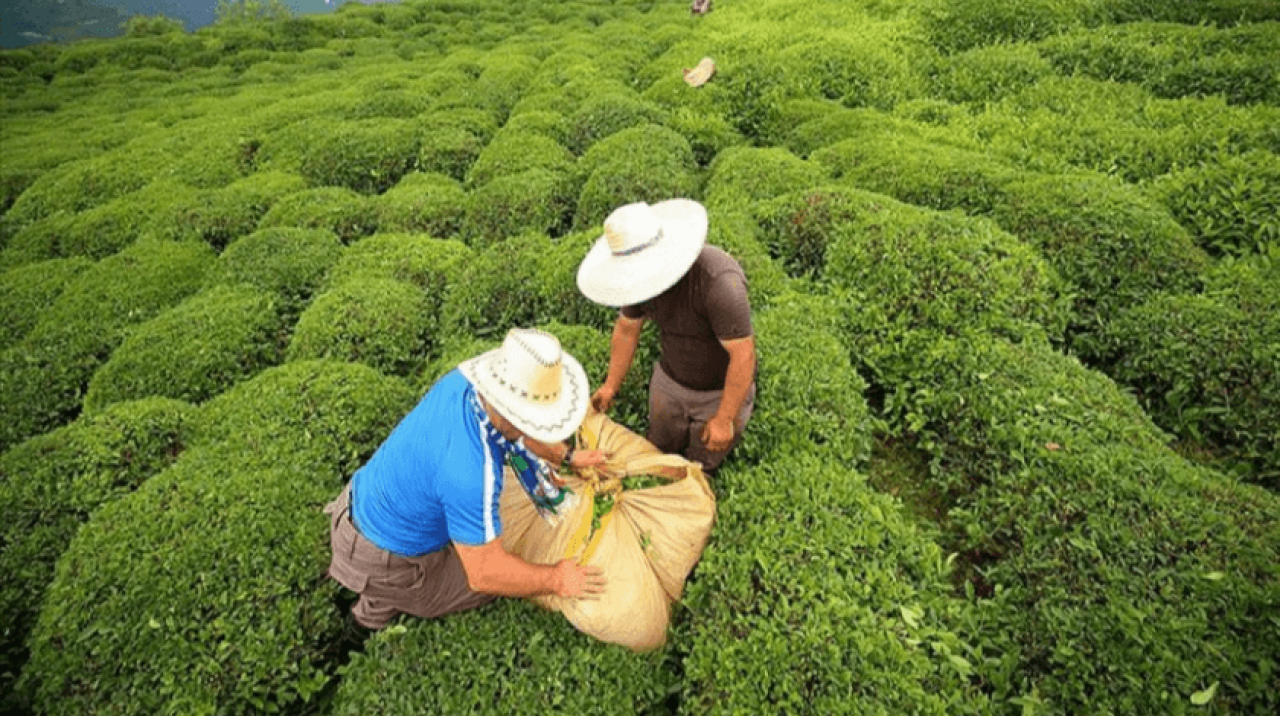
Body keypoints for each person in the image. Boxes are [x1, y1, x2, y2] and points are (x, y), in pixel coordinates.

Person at [323, 328, 609, 630]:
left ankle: (369, 604)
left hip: (363, 501)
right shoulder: (472, 471)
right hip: (385, 556)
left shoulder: (465, 384)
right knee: (498, 583)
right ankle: (363, 620)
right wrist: (557, 578)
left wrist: (567, 458)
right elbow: (485, 573)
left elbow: (517, 429)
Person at [576, 199, 756, 475]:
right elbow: (626, 330)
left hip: (717, 392)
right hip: (669, 381)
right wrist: (610, 386)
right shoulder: (638, 282)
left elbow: (742, 355)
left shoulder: (719, 283)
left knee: (699, 465)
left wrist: (724, 418)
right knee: (656, 452)